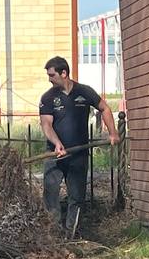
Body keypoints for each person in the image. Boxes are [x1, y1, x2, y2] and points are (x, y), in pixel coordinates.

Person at [37, 56, 117, 237]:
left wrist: (113, 133)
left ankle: (71, 234)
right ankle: (54, 234)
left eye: (52, 75)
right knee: (51, 195)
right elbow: (46, 125)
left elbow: (104, 108)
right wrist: (57, 144)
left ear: (64, 73)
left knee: (76, 196)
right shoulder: (48, 98)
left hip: (78, 154)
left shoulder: (84, 92)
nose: (49, 79)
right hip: (54, 155)